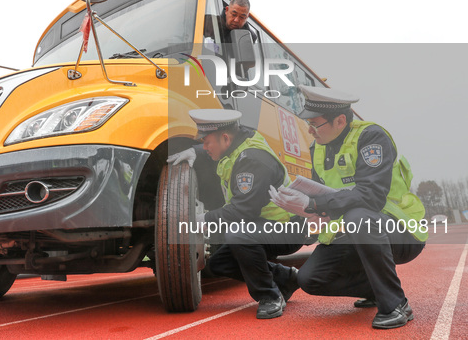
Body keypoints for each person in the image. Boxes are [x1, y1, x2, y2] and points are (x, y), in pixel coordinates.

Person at [269, 85, 428, 329]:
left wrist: (316, 205)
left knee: (359, 216)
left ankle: (396, 304)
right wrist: (307, 215)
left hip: (400, 229)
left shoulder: (371, 137)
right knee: (310, 279)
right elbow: (318, 196)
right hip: (353, 230)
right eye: (307, 124)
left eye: (315, 124)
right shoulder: (317, 149)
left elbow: (371, 196)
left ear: (340, 120)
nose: (309, 131)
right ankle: (376, 289)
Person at [167, 109, 304, 319]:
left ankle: (269, 296)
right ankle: (285, 278)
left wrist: (201, 221)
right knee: (219, 263)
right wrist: (196, 151)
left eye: (206, 142)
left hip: (287, 227)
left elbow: (242, 211)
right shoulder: (237, 144)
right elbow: (221, 148)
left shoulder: (253, 161)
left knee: (238, 234)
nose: (205, 146)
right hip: (266, 223)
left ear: (224, 138)